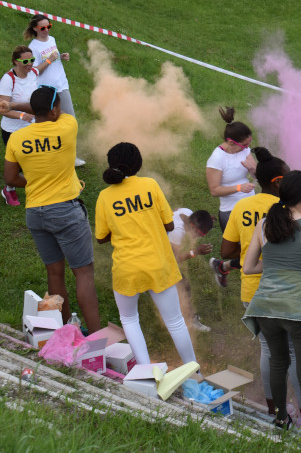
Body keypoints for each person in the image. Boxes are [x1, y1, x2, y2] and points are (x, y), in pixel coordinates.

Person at [242, 170, 301, 439]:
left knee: (278, 362)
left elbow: (248, 268)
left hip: (265, 306)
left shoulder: (263, 225)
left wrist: (274, 265)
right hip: (299, 309)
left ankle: (281, 419)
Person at [3, 85, 100, 331]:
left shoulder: (17, 138)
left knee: (54, 273)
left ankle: (67, 330)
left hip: (36, 214)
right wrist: (17, 106)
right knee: (83, 274)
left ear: (35, 110)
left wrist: (35, 181)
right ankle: (98, 339)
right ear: (55, 109)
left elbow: (11, 179)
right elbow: (50, 110)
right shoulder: (67, 127)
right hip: (66, 212)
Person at [215, 147, 301, 416]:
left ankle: (274, 408)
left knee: (269, 348)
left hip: (253, 291)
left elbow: (226, 252)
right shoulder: (289, 210)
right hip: (286, 289)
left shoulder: (242, 206)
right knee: (295, 353)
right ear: (278, 182)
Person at [95, 142, 196, 366]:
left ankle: (145, 371)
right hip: (158, 264)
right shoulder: (150, 184)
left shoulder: (104, 196)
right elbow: (169, 225)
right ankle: (194, 372)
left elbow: (101, 237)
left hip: (126, 268)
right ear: (138, 164)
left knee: (129, 319)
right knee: (176, 322)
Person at [24, 14, 85, 167]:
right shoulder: (33, 48)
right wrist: (50, 59)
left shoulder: (52, 40)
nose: (46, 30)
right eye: (42, 28)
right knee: (51, 123)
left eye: (48, 26)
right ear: (35, 29)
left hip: (61, 85)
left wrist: (61, 56)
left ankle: (71, 157)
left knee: (71, 121)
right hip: (46, 90)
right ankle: (52, 156)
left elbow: (53, 58)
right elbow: (35, 71)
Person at [205, 106, 256, 232]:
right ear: (231, 142)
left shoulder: (244, 150)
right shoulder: (217, 159)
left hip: (251, 205)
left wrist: (253, 170)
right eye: (244, 145)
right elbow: (214, 191)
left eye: (249, 143)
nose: (247, 148)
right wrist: (239, 188)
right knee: (235, 250)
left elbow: (257, 176)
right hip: (231, 210)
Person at [1, 45, 39, 205]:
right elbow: (2, 108)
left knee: (32, 160)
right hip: (12, 130)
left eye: (32, 60)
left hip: (31, 127)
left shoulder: (34, 73)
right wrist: (22, 115)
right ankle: (8, 189)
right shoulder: (8, 79)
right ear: (16, 61)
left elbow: (40, 67)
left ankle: (33, 188)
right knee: (16, 163)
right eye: (26, 61)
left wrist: (52, 59)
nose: (30, 64)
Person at [167, 208, 214, 332]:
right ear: (192, 226)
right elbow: (174, 259)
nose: (198, 237)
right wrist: (195, 252)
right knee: (183, 285)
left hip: (156, 246)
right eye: (198, 234)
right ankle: (189, 320)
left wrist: (208, 218)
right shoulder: (177, 232)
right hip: (153, 255)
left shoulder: (187, 212)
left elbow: (175, 210)